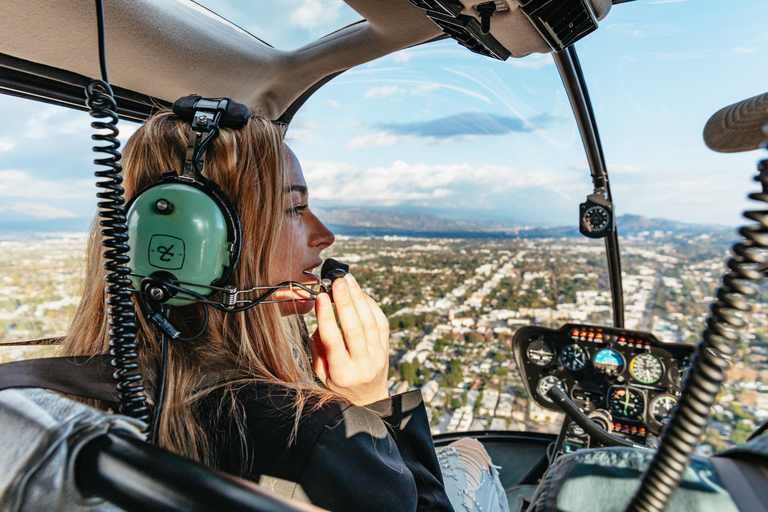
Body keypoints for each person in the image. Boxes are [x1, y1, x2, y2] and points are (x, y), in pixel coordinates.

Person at [59, 110, 508, 512]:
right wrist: (371, 399)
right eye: (295, 208)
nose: (325, 235)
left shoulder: (63, 394)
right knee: (471, 452)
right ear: (202, 242)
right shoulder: (319, 437)